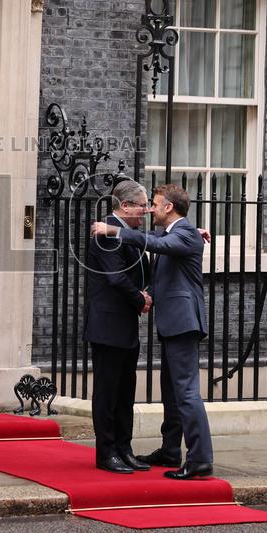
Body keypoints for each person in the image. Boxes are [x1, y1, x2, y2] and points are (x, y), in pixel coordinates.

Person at [91, 183, 214, 480]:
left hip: (183, 323)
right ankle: (171, 450)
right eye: (146, 205)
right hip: (172, 324)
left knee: (186, 393)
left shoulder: (181, 234)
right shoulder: (181, 232)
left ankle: (199, 460)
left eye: (154, 205)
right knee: (172, 393)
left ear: (169, 207)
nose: (149, 210)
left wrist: (115, 231)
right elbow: (159, 239)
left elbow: (157, 244)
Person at [84, 179, 153, 474]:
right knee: (107, 392)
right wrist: (141, 298)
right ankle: (106, 452)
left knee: (126, 392)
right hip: (107, 325)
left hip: (125, 326)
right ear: (125, 206)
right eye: (143, 206)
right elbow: (115, 276)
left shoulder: (128, 233)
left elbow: (153, 250)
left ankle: (125, 449)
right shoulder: (105, 235)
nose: (147, 211)